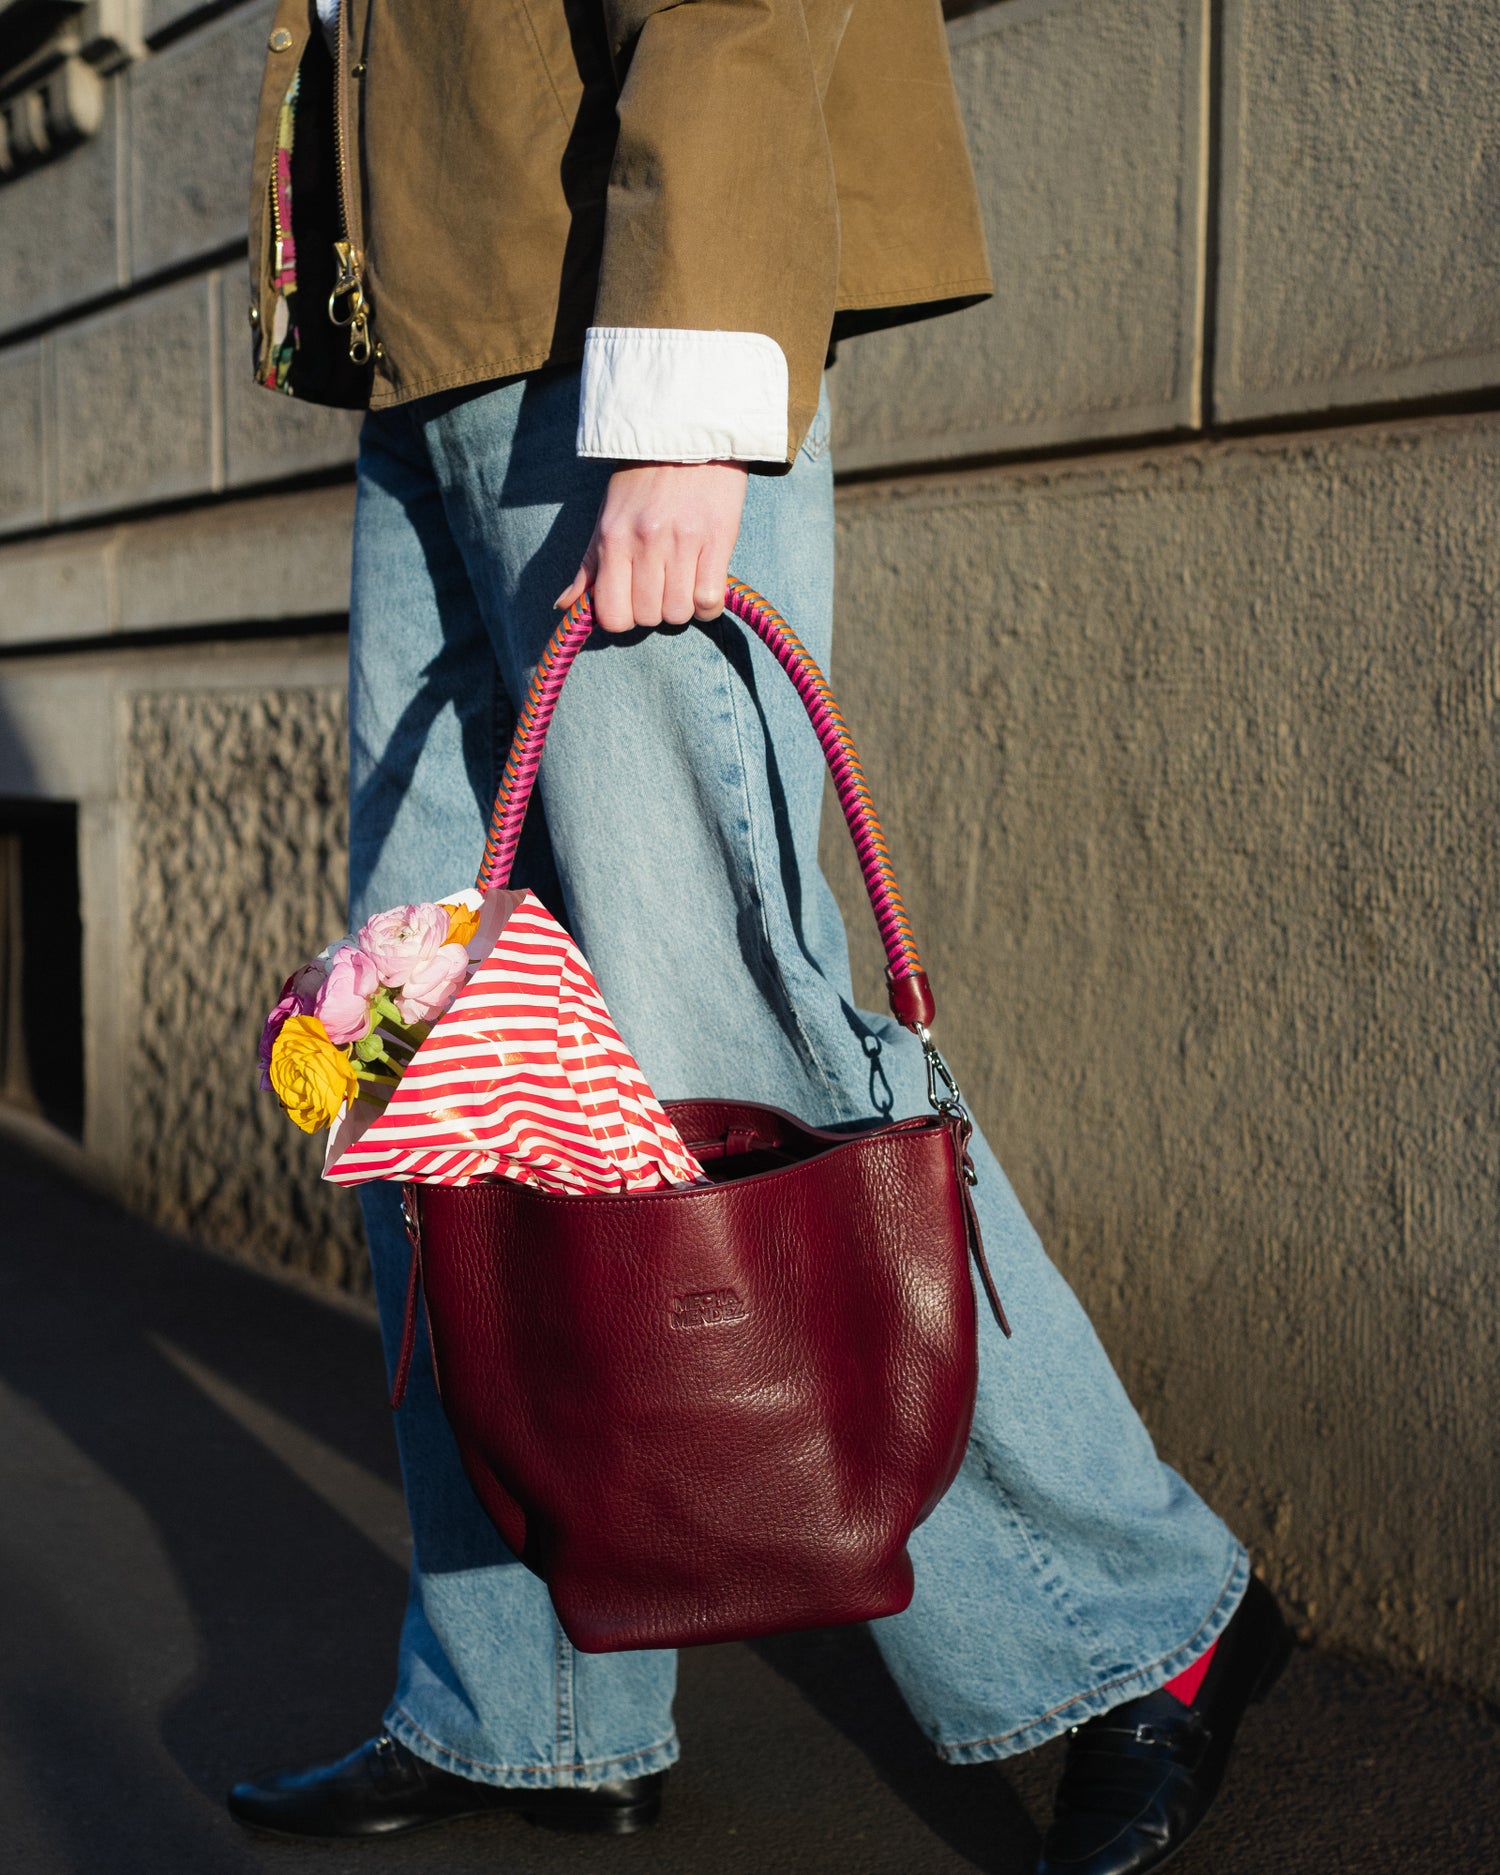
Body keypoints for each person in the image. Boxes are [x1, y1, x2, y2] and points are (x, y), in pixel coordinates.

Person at [228, 3, 1290, 1870]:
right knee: (436, 1059)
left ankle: (1141, 1622)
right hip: (440, 332)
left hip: (614, 324)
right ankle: (527, 1697)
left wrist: (692, 390)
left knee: (741, 1042)